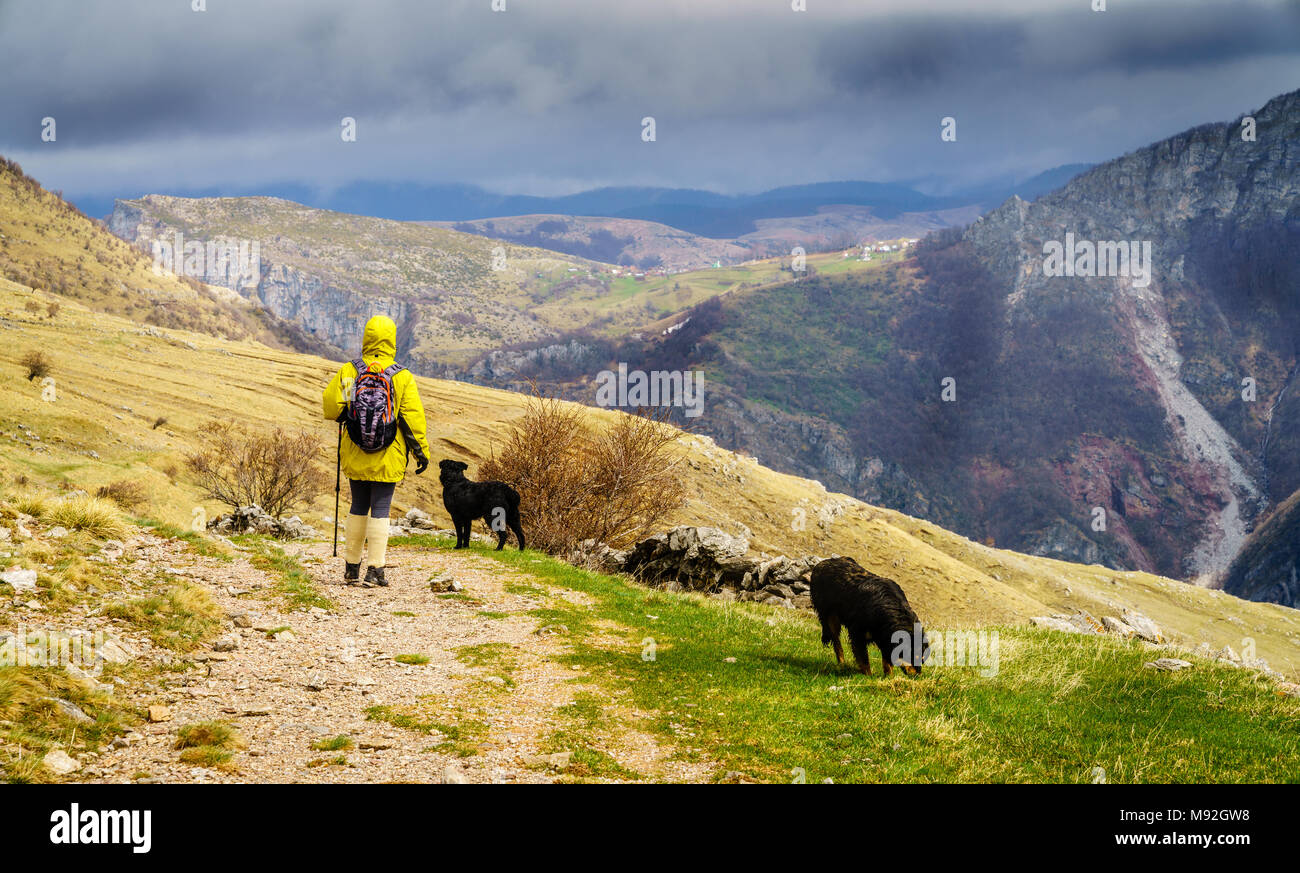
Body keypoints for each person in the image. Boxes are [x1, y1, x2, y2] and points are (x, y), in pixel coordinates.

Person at [322, 315, 431, 587]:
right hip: (389, 452)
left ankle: (351, 568)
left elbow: (332, 409)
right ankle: (376, 570)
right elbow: (412, 419)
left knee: (358, 505)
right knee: (381, 508)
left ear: (367, 337)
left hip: (356, 449)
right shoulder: (401, 376)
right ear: (392, 340)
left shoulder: (351, 370)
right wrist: (421, 453)